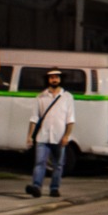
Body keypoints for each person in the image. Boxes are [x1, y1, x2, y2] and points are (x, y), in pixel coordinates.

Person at [26, 69, 74, 198]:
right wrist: (30, 135)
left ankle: (54, 188)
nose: (54, 79)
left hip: (59, 137)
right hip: (43, 136)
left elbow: (70, 119)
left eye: (56, 77)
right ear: (47, 79)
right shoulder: (40, 96)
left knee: (58, 164)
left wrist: (66, 136)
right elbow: (34, 118)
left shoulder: (67, 97)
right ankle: (36, 187)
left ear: (60, 79)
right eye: (51, 77)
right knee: (39, 163)